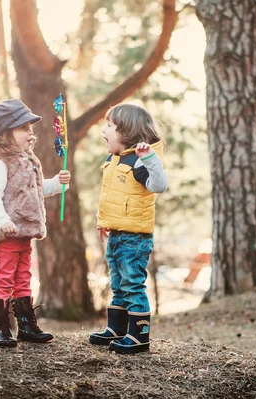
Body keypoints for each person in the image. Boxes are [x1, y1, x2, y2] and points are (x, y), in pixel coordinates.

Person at [0, 99, 70, 348]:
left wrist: (58, 183)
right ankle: (0, 327)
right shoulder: (0, 163)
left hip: (24, 233)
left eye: (31, 130)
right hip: (7, 233)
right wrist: (3, 222)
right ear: (5, 133)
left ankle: (26, 325)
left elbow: (37, 191)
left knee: (23, 276)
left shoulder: (29, 161)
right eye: (24, 129)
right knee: (5, 277)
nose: (30, 135)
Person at [88, 103, 167, 354]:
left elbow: (159, 185)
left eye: (110, 125)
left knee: (132, 283)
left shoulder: (139, 161)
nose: (104, 130)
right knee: (118, 282)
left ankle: (139, 336)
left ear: (128, 131)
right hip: (117, 233)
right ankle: (117, 328)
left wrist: (150, 159)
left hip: (135, 237)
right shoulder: (113, 159)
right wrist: (104, 222)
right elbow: (110, 196)